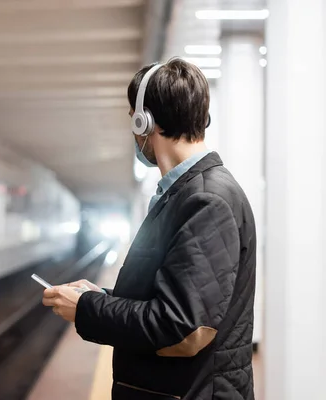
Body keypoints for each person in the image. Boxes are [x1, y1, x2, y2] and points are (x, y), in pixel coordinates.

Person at [42, 58, 257, 400]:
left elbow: (181, 327)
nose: (133, 130)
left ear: (147, 120)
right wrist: (100, 298)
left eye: (133, 118)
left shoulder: (206, 200)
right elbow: (170, 299)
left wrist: (87, 310)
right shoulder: (184, 193)